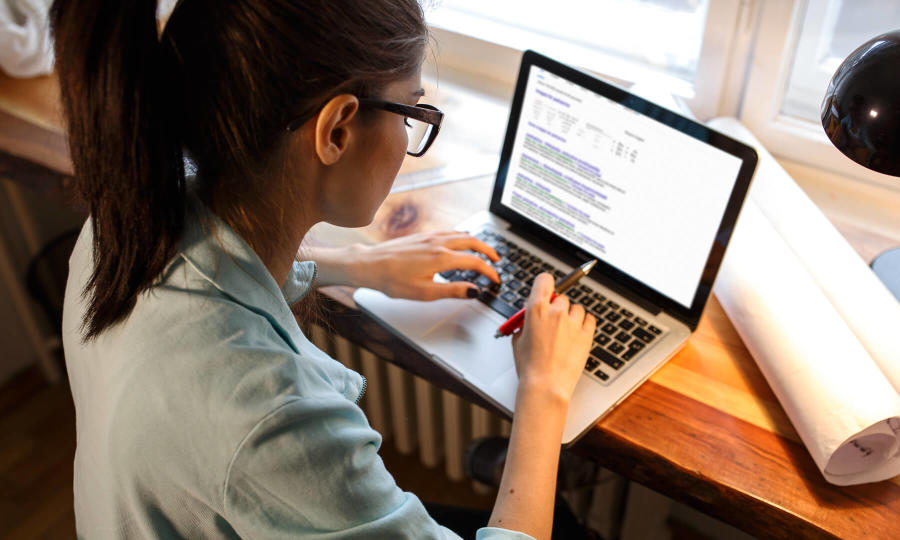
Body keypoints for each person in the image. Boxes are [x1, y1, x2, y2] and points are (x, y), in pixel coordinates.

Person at [53, 1, 596, 538]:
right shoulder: (270, 415)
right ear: (337, 129)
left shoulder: (130, 217)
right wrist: (544, 392)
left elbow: (216, 266)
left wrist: (362, 265)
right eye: (413, 112)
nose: (411, 136)